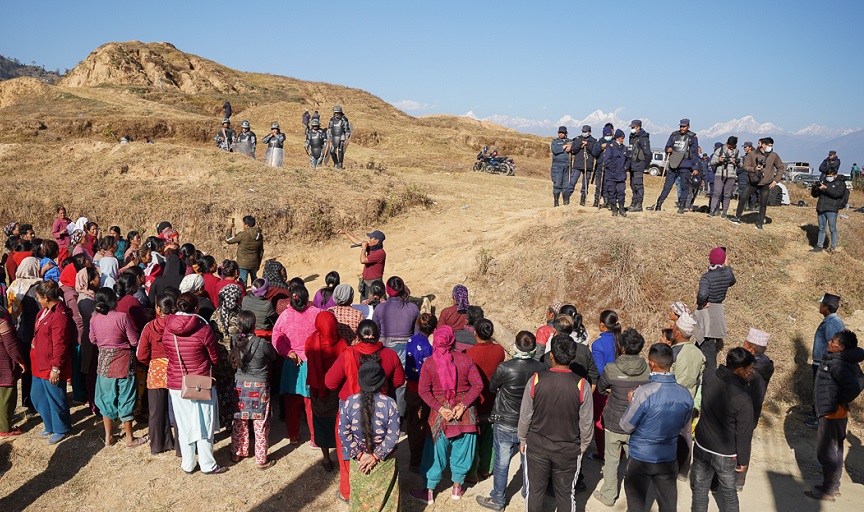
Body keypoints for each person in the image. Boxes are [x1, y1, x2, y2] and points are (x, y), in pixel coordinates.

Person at [325, 319, 405, 503]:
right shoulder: (391, 355)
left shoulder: (348, 353)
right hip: (382, 410)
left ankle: (348, 493)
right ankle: (378, 492)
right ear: (378, 335)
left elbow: (330, 382)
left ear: (358, 336)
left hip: (350, 409)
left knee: (347, 453)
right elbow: (399, 381)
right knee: (381, 451)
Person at [518, 334, 593, 512]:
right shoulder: (582, 385)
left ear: (551, 355)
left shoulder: (536, 380)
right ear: (572, 357)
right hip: (568, 450)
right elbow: (586, 422)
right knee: (566, 495)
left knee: (535, 493)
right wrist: (583, 446)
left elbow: (525, 415)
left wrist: (522, 438)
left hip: (537, 446)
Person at [409, 325, 482, 504]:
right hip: (464, 415)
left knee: (434, 454)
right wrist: (463, 405)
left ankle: (429, 492)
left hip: (440, 416)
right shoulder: (466, 360)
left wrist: (441, 408)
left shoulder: (429, 363)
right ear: (451, 340)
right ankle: (457, 487)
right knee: (463, 451)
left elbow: (424, 391)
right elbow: (478, 385)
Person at [476, 331, 546, 511]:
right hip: (529, 422)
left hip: (505, 420)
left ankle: (498, 498)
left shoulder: (505, 368)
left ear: (515, 346)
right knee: (528, 460)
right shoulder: (541, 368)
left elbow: (492, 388)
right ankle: (527, 493)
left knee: (501, 462)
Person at [619, 343, 694, 512]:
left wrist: (632, 401)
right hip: (668, 458)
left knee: (636, 507)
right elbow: (683, 424)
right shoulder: (685, 394)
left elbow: (625, 425)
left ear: (651, 364)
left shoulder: (644, 393)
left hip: (641, 458)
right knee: (668, 506)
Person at [164, 292, 225, 474]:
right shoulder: (203, 328)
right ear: (196, 307)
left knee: (183, 424)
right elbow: (215, 357)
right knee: (204, 422)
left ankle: (188, 463)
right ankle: (208, 464)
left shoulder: (168, 328)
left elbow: (169, 353)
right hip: (201, 381)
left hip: (177, 382)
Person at [691, 348, 756, 512]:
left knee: (700, 489)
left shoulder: (709, 376)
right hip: (725, 453)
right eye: (749, 369)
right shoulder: (743, 399)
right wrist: (743, 460)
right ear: (740, 370)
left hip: (702, 443)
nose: (751, 372)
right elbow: (744, 433)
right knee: (729, 493)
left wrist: (742, 382)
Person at [592, 328, 650, 507]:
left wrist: (613, 390)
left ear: (622, 348)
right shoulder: (647, 369)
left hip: (614, 422)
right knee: (634, 462)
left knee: (611, 460)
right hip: (637, 423)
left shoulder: (611, 369)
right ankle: (635, 496)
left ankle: (609, 496)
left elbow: (601, 389)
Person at [805, 330, 864, 501]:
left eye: (833, 341)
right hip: (837, 412)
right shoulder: (845, 360)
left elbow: (854, 387)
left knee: (827, 452)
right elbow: (860, 379)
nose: (829, 342)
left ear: (841, 347)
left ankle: (827, 492)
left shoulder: (837, 363)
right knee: (836, 451)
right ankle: (833, 486)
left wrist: (837, 400)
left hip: (831, 413)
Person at [338, 360, 401, 511]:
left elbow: (343, 432)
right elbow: (393, 436)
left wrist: (360, 455)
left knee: (361, 500)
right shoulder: (390, 403)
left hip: (359, 462)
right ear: (382, 382)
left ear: (360, 381)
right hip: (384, 462)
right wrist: (375, 457)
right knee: (386, 502)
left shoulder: (349, 402)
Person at [89, 287, 146, 448]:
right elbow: (134, 341)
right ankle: (129, 438)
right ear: (114, 300)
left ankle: (108, 437)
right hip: (124, 362)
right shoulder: (122, 317)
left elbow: (92, 339)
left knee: (105, 399)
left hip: (104, 364)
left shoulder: (94, 318)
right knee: (127, 397)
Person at [229, 310, 278, 469]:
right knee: (260, 423)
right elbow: (274, 357)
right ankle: (261, 458)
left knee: (239, 420)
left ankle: (238, 452)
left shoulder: (234, 341)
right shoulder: (262, 344)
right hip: (259, 386)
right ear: (254, 325)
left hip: (240, 386)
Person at [272, 285, 320, 444]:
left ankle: (293, 436)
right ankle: (315, 438)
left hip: (292, 364)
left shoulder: (284, 316)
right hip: (311, 363)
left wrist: (288, 352)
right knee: (312, 404)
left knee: (292, 403)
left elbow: (276, 338)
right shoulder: (316, 313)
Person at [30, 280, 75, 444]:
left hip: (51, 365)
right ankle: (49, 424)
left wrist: (56, 368)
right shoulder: (43, 312)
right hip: (38, 364)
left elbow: (60, 344)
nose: (37, 300)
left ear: (46, 298)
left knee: (56, 397)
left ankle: (61, 428)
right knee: (38, 397)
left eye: (38, 297)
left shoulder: (59, 317)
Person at [306, 311, 348, 472]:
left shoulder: (312, 340)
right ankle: (340, 454)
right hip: (336, 389)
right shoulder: (342, 343)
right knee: (338, 421)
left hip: (318, 389)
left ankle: (326, 458)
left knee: (321, 422)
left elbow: (308, 355)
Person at [464, 318, 505, 480]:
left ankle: (471, 472)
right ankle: (486, 468)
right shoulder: (499, 350)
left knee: (472, 437)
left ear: (475, 333)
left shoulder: (468, 354)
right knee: (489, 437)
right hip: (492, 400)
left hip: (474, 402)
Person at [137, 292, 177, 454]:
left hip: (156, 370)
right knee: (178, 411)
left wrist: (152, 363)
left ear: (158, 309)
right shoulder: (178, 325)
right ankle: (180, 446)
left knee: (156, 411)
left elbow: (141, 354)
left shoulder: (149, 327)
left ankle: (157, 445)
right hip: (176, 369)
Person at [373, 276, 419, 416]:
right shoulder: (413, 308)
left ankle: (385, 414)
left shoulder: (380, 308)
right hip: (406, 351)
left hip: (385, 350)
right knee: (402, 384)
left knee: (385, 381)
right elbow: (416, 335)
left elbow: (375, 332)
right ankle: (400, 415)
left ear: (387, 290)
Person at [670, 311, 705, 480]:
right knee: (685, 435)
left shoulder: (674, 352)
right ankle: (683, 471)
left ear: (677, 333)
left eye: (674, 328)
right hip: (689, 400)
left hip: (672, 400)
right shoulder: (699, 354)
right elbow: (700, 379)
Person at [738, 327, 773, 490]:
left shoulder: (751, 372)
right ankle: (739, 480)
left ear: (751, 349)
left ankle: (736, 479)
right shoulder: (764, 365)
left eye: (745, 344)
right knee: (745, 442)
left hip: (743, 413)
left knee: (738, 444)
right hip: (753, 412)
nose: (742, 346)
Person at [8, 257, 44, 414]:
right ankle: (37, 401)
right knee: (36, 367)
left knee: (26, 369)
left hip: (19, 331)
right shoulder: (36, 287)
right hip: (35, 332)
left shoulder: (14, 285)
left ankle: (26, 401)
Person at [694, 247, 736, 372]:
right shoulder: (727, 274)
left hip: (707, 309)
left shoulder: (706, 277)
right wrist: (727, 266)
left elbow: (702, 294)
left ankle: (710, 373)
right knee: (705, 341)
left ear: (710, 260)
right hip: (717, 309)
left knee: (706, 342)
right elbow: (732, 281)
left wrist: (701, 304)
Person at [807, 293, 845, 427]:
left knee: (821, 390)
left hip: (824, 362)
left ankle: (819, 419)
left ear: (826, 307)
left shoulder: (832, 323)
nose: (819, 306)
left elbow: (833, 346)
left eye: (821, 305)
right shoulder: (831, 321)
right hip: (822, 361)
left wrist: (827, 362)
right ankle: (815, 413)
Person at [730, 137, 785, 230]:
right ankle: (737, 217)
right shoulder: (752, 154)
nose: (770, 147)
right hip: (753, 182)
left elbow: (780, 167)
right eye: (769, 145)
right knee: (743, 198)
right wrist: (754, 169)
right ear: (763, 145)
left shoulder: (774, 156)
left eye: (771, 146)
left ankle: (760, 223)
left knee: (763, 203)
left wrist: (776, 180)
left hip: (766, 183)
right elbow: (745, 166)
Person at [404, 313, 436, 471]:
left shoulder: (411, 340)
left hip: (410, 389)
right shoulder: (430, 348)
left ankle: (413, 458)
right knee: (421, 426)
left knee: (412, 424)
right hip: (422, 392)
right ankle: (417, 461)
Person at [590, 310, 622, 462]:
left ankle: (603, 453)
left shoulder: (598, 344)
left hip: (605, 387)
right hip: (622, 386)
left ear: (602, 325)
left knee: (600, 421)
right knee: (619, 419)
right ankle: (620, 453)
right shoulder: (621, 341)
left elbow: (600, 369)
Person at [653, 118, 700, 214]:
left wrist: (695, 167)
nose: (682, 128)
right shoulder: (674, 135)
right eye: (681, 126)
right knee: (667, 186)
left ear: (688, 126)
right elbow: (667, 147)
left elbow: (695, 154)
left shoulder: (692, 138)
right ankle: (659, 204)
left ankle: (682, 206)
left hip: (686, 165)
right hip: (673, 164)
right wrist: (668, 149)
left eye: (684, 126)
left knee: (684, 187)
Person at [337, 229, 386, 300]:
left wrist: (363, 249)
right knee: (364, 302)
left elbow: (363, 260)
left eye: (371, 238)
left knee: (374, 304)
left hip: (374, 284)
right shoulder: (372, 248)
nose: (369, 240)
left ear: (376, 241)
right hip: (366, 282)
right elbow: (357, 242)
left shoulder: (380, 253)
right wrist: (346, 233)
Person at [0, 307, 25, 436]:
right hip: (3, 363)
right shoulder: (2, 320)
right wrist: (20, 360)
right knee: (6, 397)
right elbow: (10, 344)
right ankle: (4, 429)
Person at [811, 164, 846, 253]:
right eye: (827, 176)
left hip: (832, 209)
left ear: (835, 175)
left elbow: (837, 194)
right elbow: (815, 195)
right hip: (821, 208)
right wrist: (815, 188)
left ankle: (833, 247)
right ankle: (819, 246)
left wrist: (826, 188)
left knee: (832, 229)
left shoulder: (840, 183)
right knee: (821, 228)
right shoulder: (824, 182)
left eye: (830, 176)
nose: (828, 178)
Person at [225, 216, 264, 287]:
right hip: (254, 262)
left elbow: (228, 240)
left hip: (243, 263)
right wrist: (258, 263)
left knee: (243, 281)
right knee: (255, 280)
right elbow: (261, 251)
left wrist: (230, 228)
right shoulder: (259, 235)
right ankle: (256, 294)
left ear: (247, 225)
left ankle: (244, 296)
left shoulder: (243, 235)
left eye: (244, 224)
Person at [564, 125, 597, 206]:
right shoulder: (578, 139)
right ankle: (567, 197)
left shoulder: (594, 141)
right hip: (578, 164)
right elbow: (574, 150)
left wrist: (587, 144)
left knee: (585, 183)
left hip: (588, 164)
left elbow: (595, 151)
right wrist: (580, 144)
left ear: (589, 132)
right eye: (583, 131)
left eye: (585, 132)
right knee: (572, 181)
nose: (584, 133)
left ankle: (583, 199)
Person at [709, 136, 741, 217]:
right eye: (729, 145)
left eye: (731, 146)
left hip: (731, 175)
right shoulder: (720, 150)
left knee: (727, 194)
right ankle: (712, 210)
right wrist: (718, 160)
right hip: (720, 174)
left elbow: (741, 165)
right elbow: (712, 162)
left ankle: (724, 212)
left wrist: (736, 162)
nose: (730, 147)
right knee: (716, 193)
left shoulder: (737, 152)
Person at [603, 129, 630, 217]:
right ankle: (614, 208)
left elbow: (628, 160)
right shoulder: (610, 147)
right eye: (620, 138)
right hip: (611, 175)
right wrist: (613, 169)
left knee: (621, 192)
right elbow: (607, 161)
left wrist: (626, 167)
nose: (622, 140)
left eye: (623, 138)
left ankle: (621, 208)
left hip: (621, 175)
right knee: (612, 192)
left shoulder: (625, 148)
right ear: (616, 138)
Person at [627, 119, 651, 212]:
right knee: (632, 185)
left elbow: (648, 153)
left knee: (638, 185)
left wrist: (644, 165)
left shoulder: (643, 138)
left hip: (639, 164)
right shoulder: (632, 137)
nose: (632, 129)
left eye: (633, 127)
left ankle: (639, 204)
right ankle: (634, 202)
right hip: (632, 164)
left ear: (638, 127)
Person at [591, 124, 616, 209]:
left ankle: (607, 201)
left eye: (609, 135)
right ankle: (596, 201)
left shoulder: (613, 142)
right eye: (606, 135)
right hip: (600, 167)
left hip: (610, 168)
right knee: (599, 185)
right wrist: (601, 147)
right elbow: (594, 153)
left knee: (608, 186)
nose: (608, 137)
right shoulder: (599, 142)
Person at [549, 126, 572, 207]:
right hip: (557, 166)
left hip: (567, 165)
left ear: (566, 133)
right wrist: (564, 147)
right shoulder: (555, 142)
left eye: (562, 133)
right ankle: (556, 201)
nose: (561, 134)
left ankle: (565, 201)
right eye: (559, 133)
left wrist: (570, 147)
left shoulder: (569, 141)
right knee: (557, 184)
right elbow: (555, 150)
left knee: (566, 185)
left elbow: (575, 147)